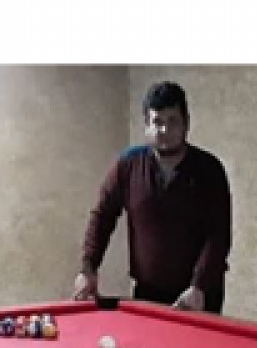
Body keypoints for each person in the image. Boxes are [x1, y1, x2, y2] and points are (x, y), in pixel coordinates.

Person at [73, 82, 231, 314]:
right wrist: (88, 269)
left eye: (172, 121)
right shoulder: (128, 165)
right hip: (148, 293)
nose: (164, 130)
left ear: (186, 123)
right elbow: (102, 217)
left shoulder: (210, 170)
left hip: (199, 295)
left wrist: (199, 286)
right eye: (157, 122)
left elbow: (218, 235)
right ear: (146, 125)